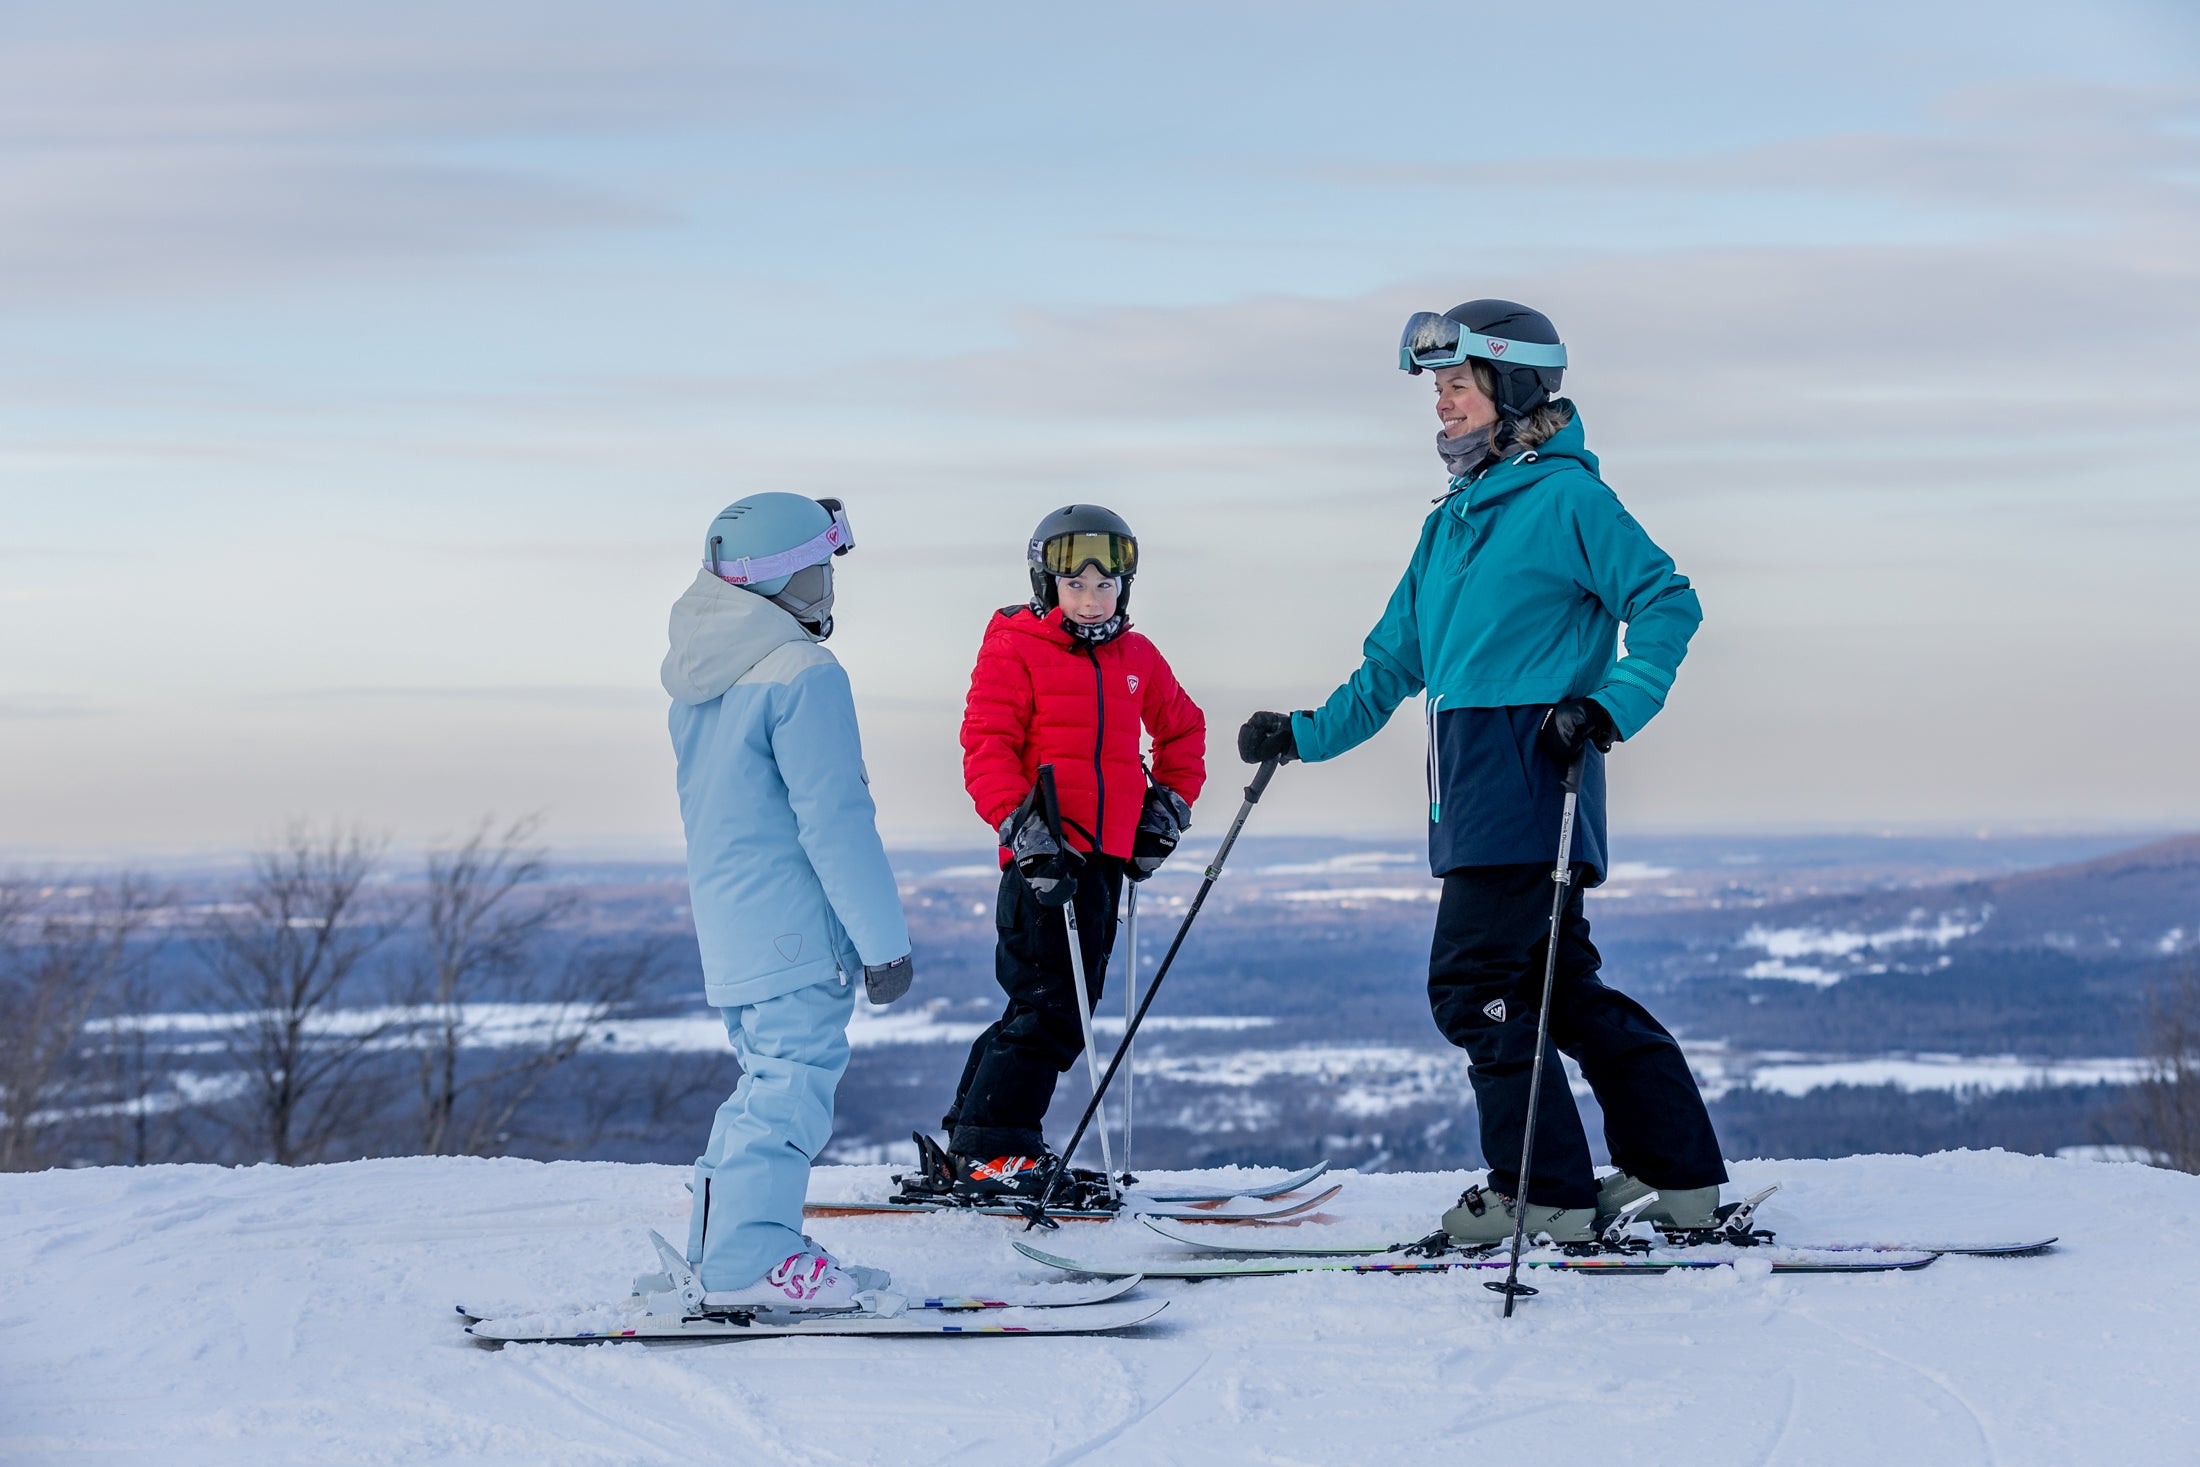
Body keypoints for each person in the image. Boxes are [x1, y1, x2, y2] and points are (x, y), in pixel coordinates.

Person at [1238, 300, 1729, 1246]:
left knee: (1474, 988)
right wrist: (1301, 734)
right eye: (1437, 389)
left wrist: (1610, 705)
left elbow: (1669, 601)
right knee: (1560, 989)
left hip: (1533, 780)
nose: (1442, 405)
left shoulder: (1567, 500)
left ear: (1515, 388)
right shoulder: (1452, 525)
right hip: (1471, 789)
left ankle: (1540, 1192)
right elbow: (1391, 667)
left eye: (1458, 386)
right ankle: (1678, 1175)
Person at [661, 491, 912, 1311]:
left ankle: (723, 1247)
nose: (827, 589)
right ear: (787, 579)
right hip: (794, 930)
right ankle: (749, 1260)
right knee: (790, 1088)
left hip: (735, 928)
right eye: (819, 569)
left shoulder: (706, 675)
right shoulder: (802, 674)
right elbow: (835, 819)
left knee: (762, 1083)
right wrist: (883, 941)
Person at [927, 504, 1207, 1201]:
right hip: (1044, 863)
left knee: (1052, 1004)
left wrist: (1166, 808)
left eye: (1106, 586)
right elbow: (985, 745)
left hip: (1105, 861)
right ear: (1046, 583)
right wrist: (1023, 828)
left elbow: (1184, 728)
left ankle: (975, 1134)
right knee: (1051, 1005)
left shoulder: (1135, 657)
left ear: (1125, 587)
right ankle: (996, 1146)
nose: (1091, 599)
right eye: (1075, 584)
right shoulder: (1016, 646)